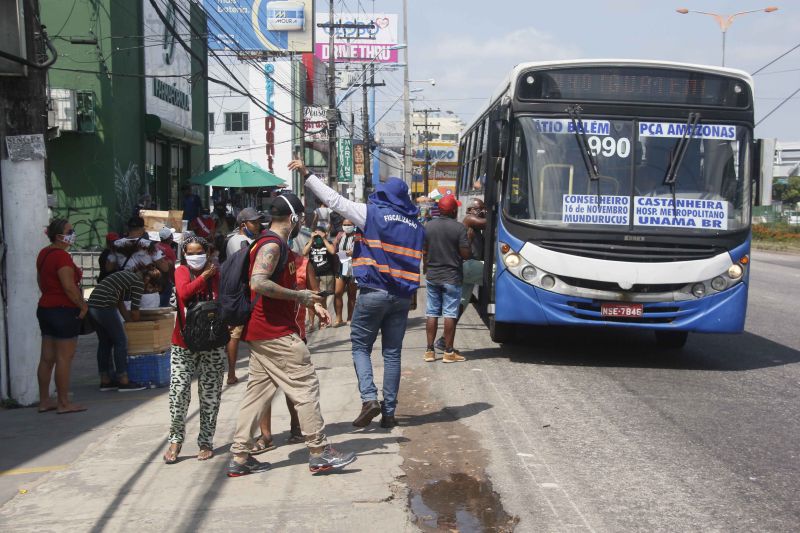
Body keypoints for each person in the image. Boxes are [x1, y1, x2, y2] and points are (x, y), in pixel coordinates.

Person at [227, 192, 356, 476]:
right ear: (294, 218)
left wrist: (310, 300)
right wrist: (300, 297)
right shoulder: (272, 244)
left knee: (257, 394)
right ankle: (319, 453)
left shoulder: (273, 243)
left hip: (262, 331)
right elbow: (258, 282)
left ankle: (239, 457)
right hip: (274, 332)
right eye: (302, 217)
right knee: (305, 387)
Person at [290, 159, 425, 430]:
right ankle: (389, 413)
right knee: (393, 354)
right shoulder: (416, 226)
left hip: (374, 291)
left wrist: (308, 174)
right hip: (401, 297)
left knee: (361, 347)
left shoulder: (371, 214)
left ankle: (368, 399)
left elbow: (335, 200)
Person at [163, 235, 226, 464]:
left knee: (210, 395)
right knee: (178, 392)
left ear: (207, 252)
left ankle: (206, 441)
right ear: (184, 254)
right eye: (190, 252)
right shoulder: (181, 271)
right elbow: (183, 293)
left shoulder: (217, 274)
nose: (195, 256)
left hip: (212, 343)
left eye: (200, 251)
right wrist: (204, 278)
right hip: (183, 343)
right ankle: (176, 439)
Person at [36, 219, 88, 414]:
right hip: (63, 310)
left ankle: (44, 401)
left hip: (46, 308)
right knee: (64, 357)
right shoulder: (62, 258)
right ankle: (64, 403)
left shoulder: (44, 254)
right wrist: (82, 306)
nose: (73, 233)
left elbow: (41, 281)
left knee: (47, 358)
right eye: (69, 230)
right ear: (59, 236)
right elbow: (69, 287)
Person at [88, 267, 163, 392]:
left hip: (93, 305)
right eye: (150, 286)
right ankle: (123, 380)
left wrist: (129, 322)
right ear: (147, 279)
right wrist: (139, 324)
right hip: (105, 306)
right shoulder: (138, 283)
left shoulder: (127, 276)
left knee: (105, 342)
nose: (147, 289)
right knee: (121, 341)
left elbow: (120, 303)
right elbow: (135, 312)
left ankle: (105, 380)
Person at [423, 194, 471, 363]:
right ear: (453, 210)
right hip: (452, 277)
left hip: (433, 276)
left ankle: (429, 351)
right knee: (450, 313)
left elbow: (425, 250)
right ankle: (449, 352)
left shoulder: (428, 226)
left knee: (432, 313)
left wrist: (426, 267)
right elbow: (465, 254)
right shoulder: (459, 228)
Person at [434, 198, 487, 352]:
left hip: (469, 268)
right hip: (469, 266)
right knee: (500, 273)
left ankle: (444, 340)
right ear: (471, 210)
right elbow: (486, 223)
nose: (482, 211)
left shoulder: (473, 223)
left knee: (460, 305)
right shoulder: (469, 219)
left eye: (483, 209)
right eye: (480, 209)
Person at [224, 207, 265, 385]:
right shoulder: (239, 241)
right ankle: (231, 372)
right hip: (238, 291)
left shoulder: (247, 239)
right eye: (253, 222)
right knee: (235, 332)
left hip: (243, 289)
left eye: (258, 222)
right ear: (243, 225)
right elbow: (247, 263)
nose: (257, 225)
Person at [303, 226, 335, 330]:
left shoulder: (328, 242)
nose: (318, 237)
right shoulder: (310, 243)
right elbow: (304, 253)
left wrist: (324, 238)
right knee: (312, 300)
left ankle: (323, 321)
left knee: (322, 299)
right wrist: (312, 239)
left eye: (320, 235)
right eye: (316, 235)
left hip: (326, 274)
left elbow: (332, 251)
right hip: (313, 275)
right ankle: (311, 324)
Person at [332, 219, 359, 327]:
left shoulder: (357, 236)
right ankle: (338, 318)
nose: (346, 226)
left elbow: (359, 250)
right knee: (338, 292)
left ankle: (350, 317)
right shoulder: (340, 235)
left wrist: (351, 253)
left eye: (349, 225)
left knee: (351, 294)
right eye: (345, 224)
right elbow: (334, 247)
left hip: (353, 266)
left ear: (353, 225)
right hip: (341, 265)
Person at [156, 227, 177, 307]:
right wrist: (175, 281)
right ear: (170, 238)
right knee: (163, 306)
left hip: (155, 278)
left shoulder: (156, 245)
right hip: (165, 280)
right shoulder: (170, 251)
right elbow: (171, 269)